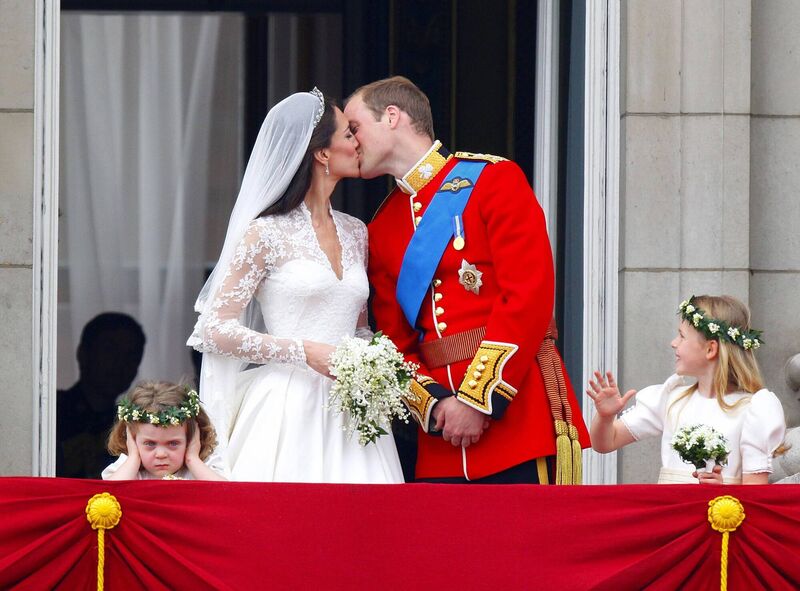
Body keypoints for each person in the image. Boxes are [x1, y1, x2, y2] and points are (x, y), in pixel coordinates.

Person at [344, 76, 590, 484]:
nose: (351, 142)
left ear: (391, 117)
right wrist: (437, 405)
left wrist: (478, 400)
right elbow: (391, 342)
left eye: (355, 128)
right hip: (441, 440)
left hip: (518, 420)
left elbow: (528, 297)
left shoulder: (494, 180)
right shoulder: (383, 226)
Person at [188, 88, 404, 483]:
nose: (358, 143)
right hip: (286, 406)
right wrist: (304, 351)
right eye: (348, 135)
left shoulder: (357, 232)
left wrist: (375, 364)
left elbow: (358, 326)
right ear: (322, 153)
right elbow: (215, 329)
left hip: (353, 409)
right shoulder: (264, 234)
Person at [587, 294, 786, 484]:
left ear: (710, 349)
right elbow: (605, 443)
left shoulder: (753, 409)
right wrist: (605, 417)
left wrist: (722, 490)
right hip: (671, 516)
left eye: (682, 336)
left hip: (720, 516)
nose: (673, 343)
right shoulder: (671, 399)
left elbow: (755, 494)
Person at [57, 312, 146, 478]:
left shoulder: (132, 421)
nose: (120, 363)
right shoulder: (53, 413)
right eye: (110, 350)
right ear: (83, 353)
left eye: (130, 355)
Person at [103, 381, 226, 480]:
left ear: (191, 440)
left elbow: (228, 495)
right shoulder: (127, 470)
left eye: (173, 443)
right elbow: (107, 495)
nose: (161, 454)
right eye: (150, 444)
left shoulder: (204, 468)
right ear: (132, 441)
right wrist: (133, 458)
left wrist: (192, 459)